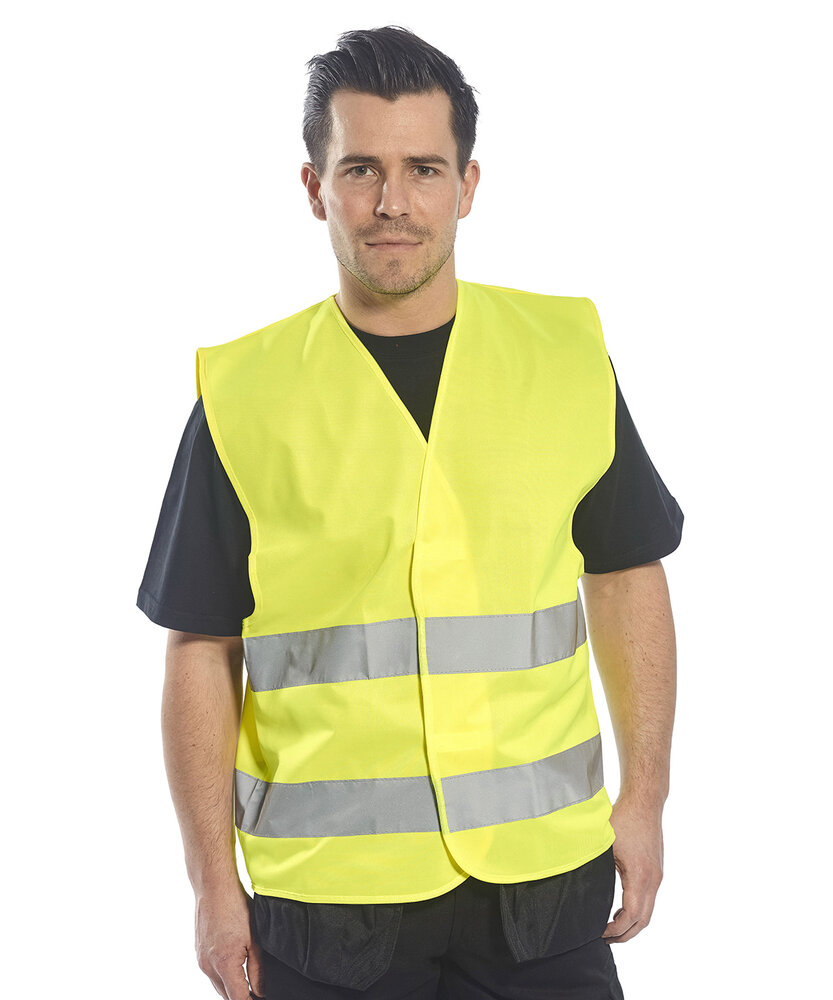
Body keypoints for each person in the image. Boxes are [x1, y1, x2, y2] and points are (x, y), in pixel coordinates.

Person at [138, 25, 683, 1000]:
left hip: (544, 884)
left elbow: (625, 575)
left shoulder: (564, 355)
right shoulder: (243, 394)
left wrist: (645, 797)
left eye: (423, 169)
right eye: (361, 170)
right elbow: (200, 648)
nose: (392, 202)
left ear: (466, 186)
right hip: (328, 905)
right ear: (314, 188)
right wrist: (212, 886)